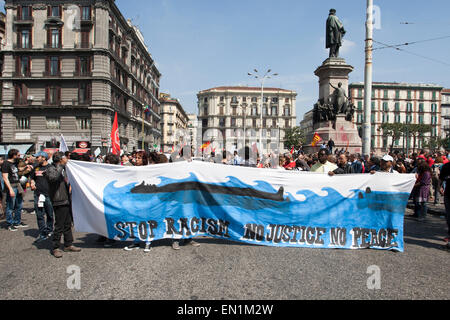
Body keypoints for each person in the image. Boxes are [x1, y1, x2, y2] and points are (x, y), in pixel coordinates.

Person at [45, 152, 81, 258]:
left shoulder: (63, 169)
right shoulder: (51, 169)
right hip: (58, 200)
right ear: (60, 159)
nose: (66, 159)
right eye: (64, 158)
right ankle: (55, 247)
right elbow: (53, 178)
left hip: (66, 199)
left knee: (67, 224)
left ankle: (68, 244)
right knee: (59, 225)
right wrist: (61, 166)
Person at [30, 151, 54, 243]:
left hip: (48, 194)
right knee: (39, 214)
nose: (36, 159)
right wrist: (32, 182)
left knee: (50, 214)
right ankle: (42, 233)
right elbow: (32, 177)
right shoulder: (36, 168)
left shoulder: (51, 167)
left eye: (38, 157)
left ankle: (50, 230)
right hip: (38, 194)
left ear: (44, 158)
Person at [2, 149, 28, 231]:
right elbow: (5, 178)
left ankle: (17, 221)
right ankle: (10, 223)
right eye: (18, 155)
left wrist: (26, 168)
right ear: (13, 155)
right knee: (10, 206)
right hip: (12, 186)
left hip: (18, 185)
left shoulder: (15, 163)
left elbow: (17, 171)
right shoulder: (6, 164)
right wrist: (10, 189)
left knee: (19, 205)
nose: (19, 156)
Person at [439, 161, 450, 244]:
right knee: (449, 216)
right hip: (448, 194)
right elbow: (441, 178)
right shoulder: (446, 166)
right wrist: (440, 187)